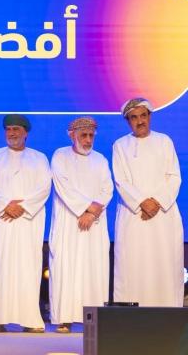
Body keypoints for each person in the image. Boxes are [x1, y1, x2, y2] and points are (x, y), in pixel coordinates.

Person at [0, 114, 51, 333]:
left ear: (25, 133)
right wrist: (5, 205)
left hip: (28, 222)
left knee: (28, 269)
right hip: (1, 221)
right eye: (8, 129)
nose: (12, 133)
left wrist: (23, 207)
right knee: (0, 269)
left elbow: (44, 188)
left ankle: (30, 320)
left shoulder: (39, 158)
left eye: (16, 129)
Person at [112, 98, 183, 306]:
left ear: (150, 117)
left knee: (165, 264)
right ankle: (130, 318)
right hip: (134, 216)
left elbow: (174, 177)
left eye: (143, 116)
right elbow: (121, 180)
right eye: (134, 118)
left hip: (163, 216)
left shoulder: (164, 141)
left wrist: (156, 202)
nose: (140, 121)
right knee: (133, 265)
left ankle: (168, 316)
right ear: (128, 121)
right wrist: (142, 202)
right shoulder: (120, 145)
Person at [48, 117, 113, 334]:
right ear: (72, 136)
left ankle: (93, 319)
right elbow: (63, 186)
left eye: (91, 135)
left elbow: (107, 189)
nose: (88, 140)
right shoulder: (60, 156)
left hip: (94, 223)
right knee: (66, 268)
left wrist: (92, 212)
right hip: (69, 222)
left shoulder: (100, 160)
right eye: (83, 135)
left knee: (94, 269)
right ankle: (64, 318)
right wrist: (85, 208)